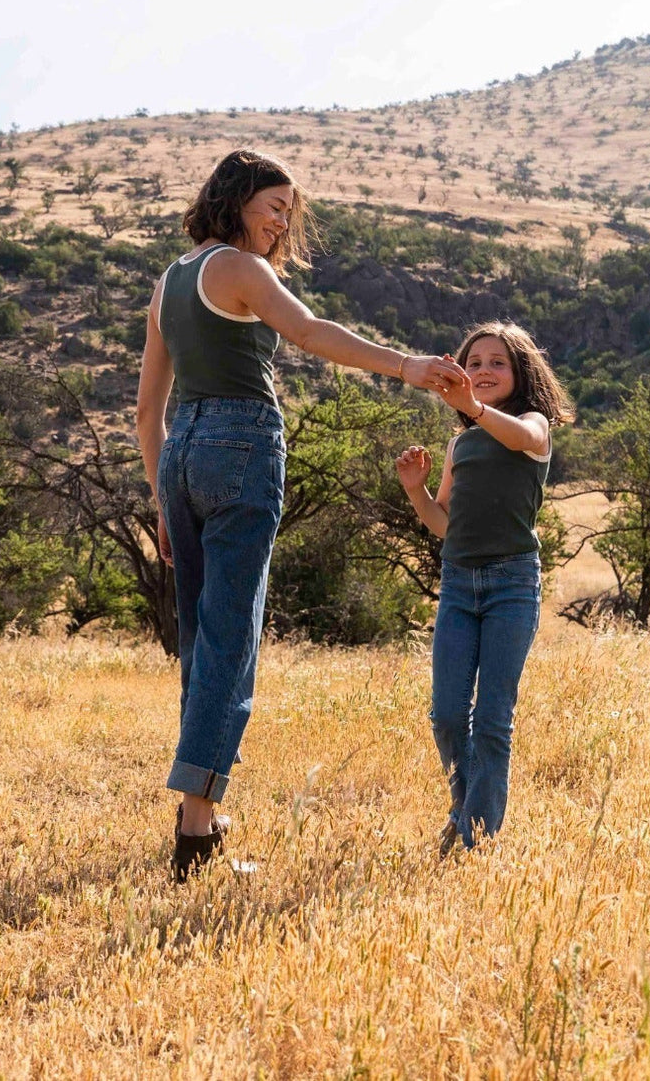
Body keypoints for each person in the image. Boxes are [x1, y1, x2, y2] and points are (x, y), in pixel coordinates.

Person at [136, 148, 466, 880]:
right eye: (273, 203)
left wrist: (163, 494)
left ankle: (203, 808)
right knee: (232, 635)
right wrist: (408, 367)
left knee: (201, 633)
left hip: (183, 453)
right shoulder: (243, 270)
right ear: (235, 197)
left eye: (290, 210)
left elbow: (146, 415)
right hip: (242, 445)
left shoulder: (169, 281)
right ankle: (197, 828)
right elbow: (310, 332)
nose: (283, 220)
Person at [395, 321, 574, 854]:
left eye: (497, 362)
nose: (484, 371)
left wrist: (474, 406)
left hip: (512, 586)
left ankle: (474, 839)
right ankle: (463, 809)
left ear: (520, 374)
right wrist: (415, 490)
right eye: (474, 362)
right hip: (457, 586)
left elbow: (528, 438)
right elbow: (445, 521)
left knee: (493, 718)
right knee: (448, 714)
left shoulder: (532, 424)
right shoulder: (460, 445)